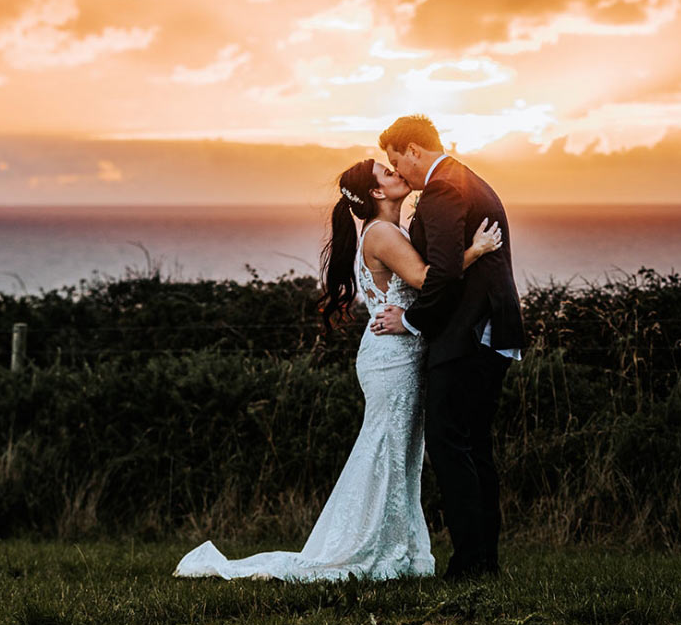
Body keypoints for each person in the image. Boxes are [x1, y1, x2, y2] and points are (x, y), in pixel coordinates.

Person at [172, 158, 502, 581]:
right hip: (393, 357)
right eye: (387, 172)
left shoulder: (389, 231)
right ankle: (365, 549)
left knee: (399, 452)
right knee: (387, 449)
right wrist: (476, 249)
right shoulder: (382, 233)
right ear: (377, 193)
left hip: (398, 350)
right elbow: (424, 278)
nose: (398, 173)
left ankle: (395, 549)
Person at [371, 114, 526, 579]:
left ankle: (470, 563)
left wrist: (411, 320)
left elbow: (441, 273)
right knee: (473, 446)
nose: (400, 173)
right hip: (491, 334)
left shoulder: (442, 189)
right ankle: (484, 562)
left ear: (414, 151)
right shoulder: (466, 180)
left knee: (449, 443)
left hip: (467, 337)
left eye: (398, 161)